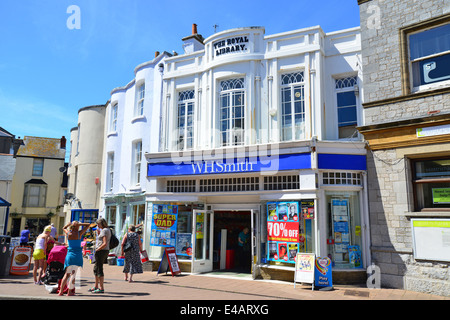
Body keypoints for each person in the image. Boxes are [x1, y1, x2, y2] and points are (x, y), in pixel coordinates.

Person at [59, 221, 91, 296]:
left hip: (69, 255)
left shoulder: (68, 233)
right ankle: (69, 292)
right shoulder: (79, 233)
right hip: (77, 255)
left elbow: (63, 228)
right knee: (73, 275)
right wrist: (80, 224)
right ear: (77, 226)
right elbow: (88, 225)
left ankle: (61, 291)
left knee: (66, 274)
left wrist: (68, 224)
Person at [90, 218, 111, 294]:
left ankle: (101, 288)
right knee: (96, 268)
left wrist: (98, 248)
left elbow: (104, 243)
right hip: (103, 250)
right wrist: (99, 234)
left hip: (101, 251)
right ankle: (96, 286)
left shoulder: (105, 230)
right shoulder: (106, 230)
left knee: (99, 269)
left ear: (102, 223)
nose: (97, 225)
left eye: (98, 224)